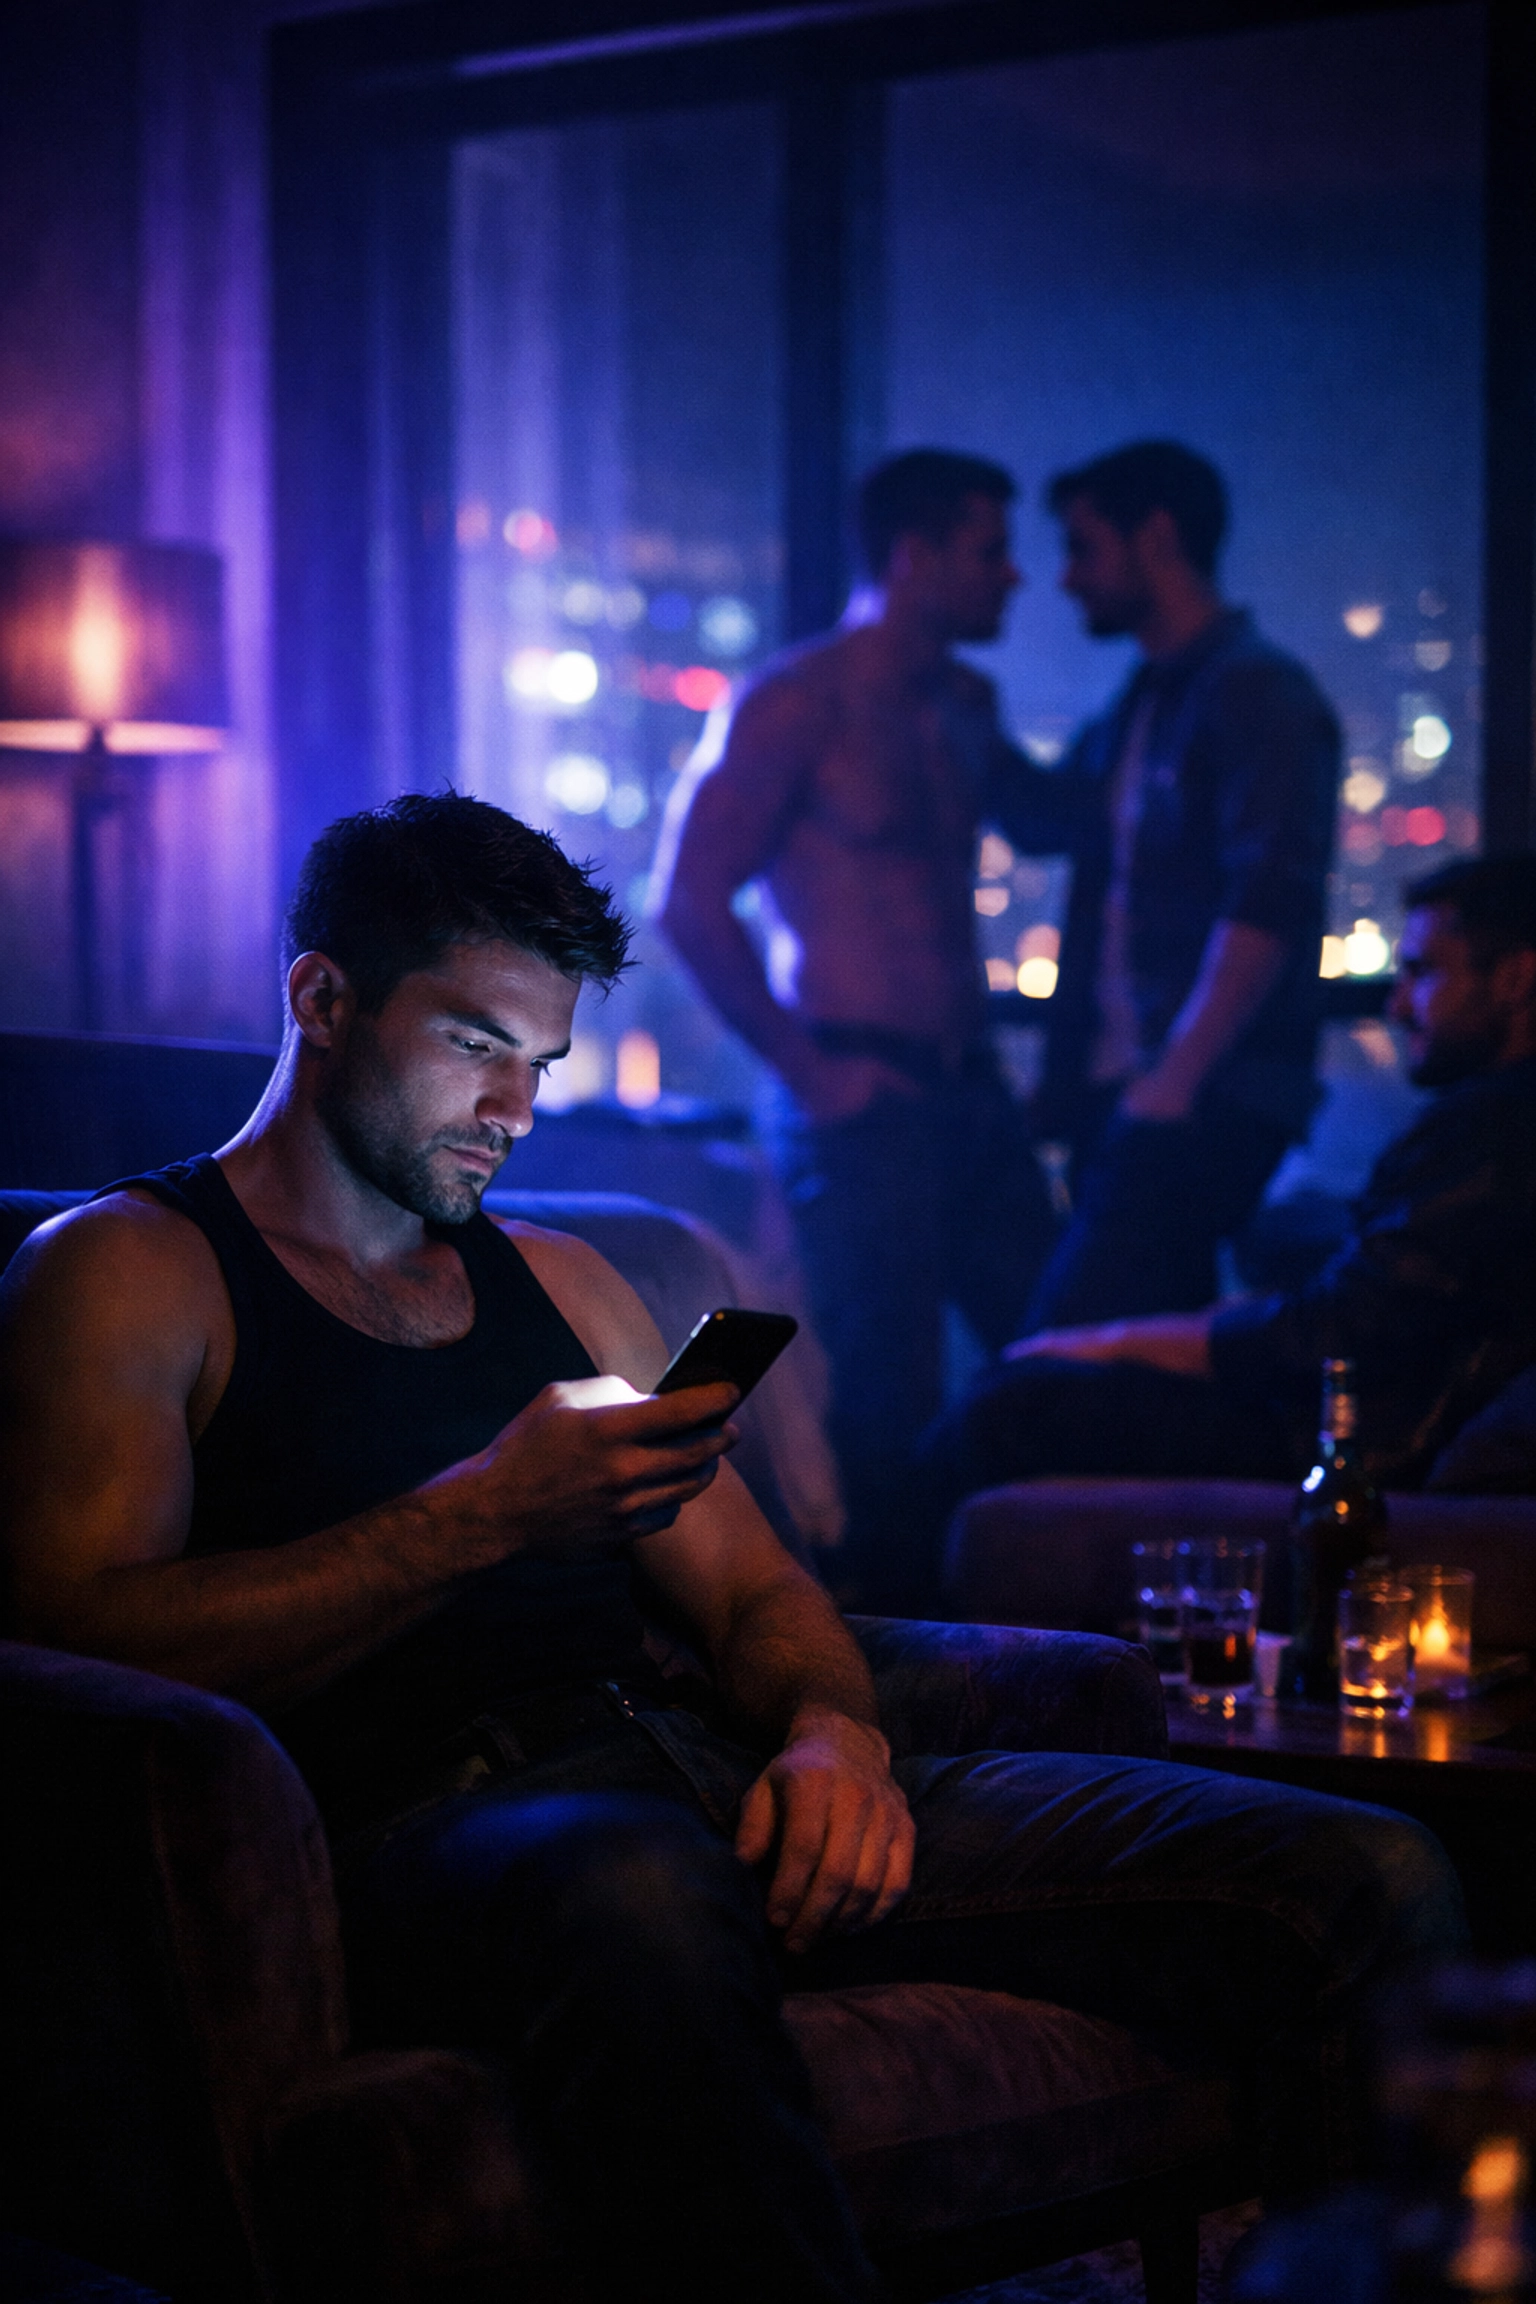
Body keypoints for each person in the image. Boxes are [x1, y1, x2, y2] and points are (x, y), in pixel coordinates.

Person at [1, 795, 1465, 2304]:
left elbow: (762, 1592)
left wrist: (836, 1737)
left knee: (1361, 1869)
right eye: (475, 1044)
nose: (516, 1108)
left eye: (542, 1062)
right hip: (426, 1827)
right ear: (323, 999)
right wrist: (483, 1513)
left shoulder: (565, 1282)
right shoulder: (130, 1271)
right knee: (637, 1889)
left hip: (710, 1777)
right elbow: (79, 1653)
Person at [656, 449, 1056, 1605]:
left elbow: (1060, 823)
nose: (1014, 576)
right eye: (990, 550)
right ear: (914, 556)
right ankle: (892, 1666)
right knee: (888, 1402)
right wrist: (808, 1070)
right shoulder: (799, 701)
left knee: (1053, 1349)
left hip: (969, 1093)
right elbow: (688, 898)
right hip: (857, 1097)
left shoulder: (965, 706)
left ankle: (1028, 1635)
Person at [923, 856, 1536, 1512]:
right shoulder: (1491, 1124)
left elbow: (1335, 1336)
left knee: (1007, 1410)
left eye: (1423, 971)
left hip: (1348, 1442)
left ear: (1515, 978)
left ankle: (879, 1576)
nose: (1397, 1004)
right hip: (1352, 1423)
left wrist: (1115, 1341)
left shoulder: (1492, 1128)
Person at [985, 440, 1340, 1329]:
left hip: (1197, 1096)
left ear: (1156, 536)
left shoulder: (1258, 695)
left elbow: (1269, 897)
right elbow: (1047, 820)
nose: (1067, 579)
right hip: (1149, 1095)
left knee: (1067, 1347)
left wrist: (1175, 1079)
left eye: (1083, 547)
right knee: (1131, 1354)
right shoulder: (1147, 701)